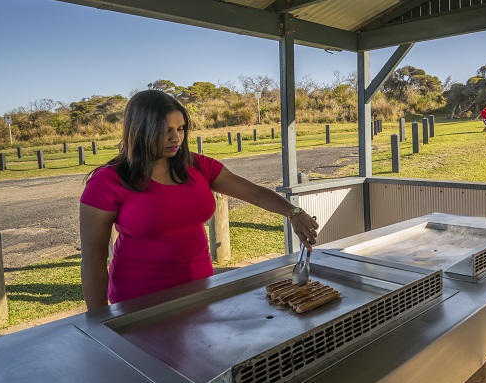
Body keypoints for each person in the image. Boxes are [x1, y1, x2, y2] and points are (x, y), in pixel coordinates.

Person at [79, 90, 319, 311]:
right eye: (165, 130)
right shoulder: (107, 181)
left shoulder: (198, 166)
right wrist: (98, 322)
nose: (176, 138)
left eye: (181, 128)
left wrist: (294, 213)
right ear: (140, 130)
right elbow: (93, 259)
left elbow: (254, 193)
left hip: (200, 290)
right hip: (138, 301)